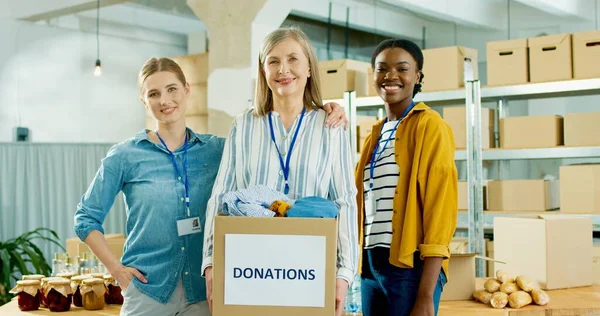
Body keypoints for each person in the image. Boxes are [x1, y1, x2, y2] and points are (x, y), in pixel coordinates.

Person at [73, 57, 349, 316]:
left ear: (186, 90)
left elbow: (266, 148)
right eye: (154, 94)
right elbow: (86, 218)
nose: (165, 100)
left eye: (172, 89)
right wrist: (116, 270)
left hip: (204, 294)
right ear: (143, 100)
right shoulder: (125, 156)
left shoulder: (218, 149)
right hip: (148, 291)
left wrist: (323, 110)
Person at [202, 27, 358, 316]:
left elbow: (345, 201)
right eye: (273, 61)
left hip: (311, 271)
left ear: (309, 67)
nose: (283, 69)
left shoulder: (331, 127)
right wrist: (211, 262)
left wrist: (344, 274)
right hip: (250, 270)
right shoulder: (243, 126)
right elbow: (221, 197)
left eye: (293, 59)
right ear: (263, 71)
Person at [354, 39, 458, 316]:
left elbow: (441, 209)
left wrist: (426, 293)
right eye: (382, 68)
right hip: (370, 267)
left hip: (409, 270)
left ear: (417, 76)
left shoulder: (430, 126)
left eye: (402, 68)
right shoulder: (375, 134)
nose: (390, 76)